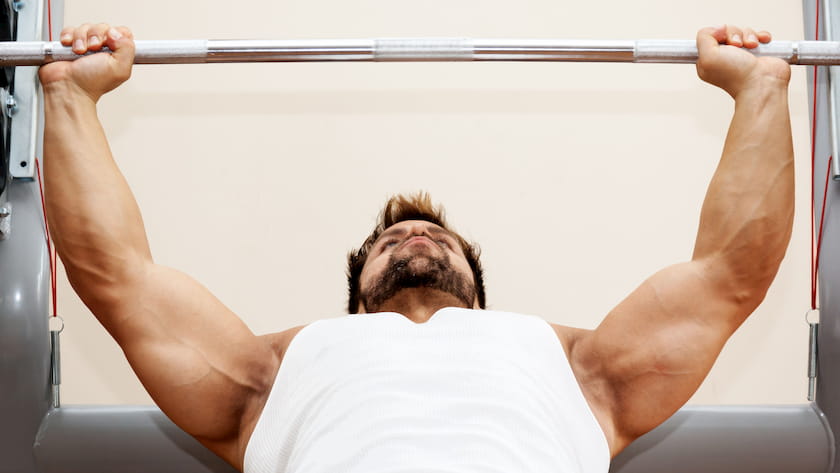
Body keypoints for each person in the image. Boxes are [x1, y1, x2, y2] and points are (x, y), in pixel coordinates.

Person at [39, 23, 794, 473]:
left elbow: (728, 274)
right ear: (355, 289)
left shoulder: (576, 367)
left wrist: (759, 88)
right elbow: (118, 278)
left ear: (479, 284)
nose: (414, 237)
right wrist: (70, 94)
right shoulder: (272, 373)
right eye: (390, 238)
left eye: (436, 235)